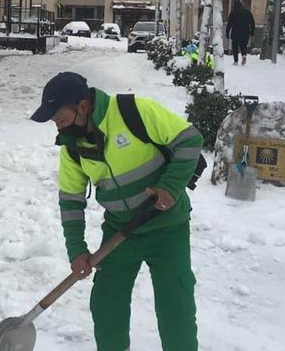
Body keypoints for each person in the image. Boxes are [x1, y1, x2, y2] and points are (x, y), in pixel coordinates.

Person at [31, 72, 203, 351]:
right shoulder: (72, 148)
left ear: (83, 107)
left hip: (167, 226)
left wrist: (170, 187)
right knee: (106, 303)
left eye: (60, 120)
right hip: (120, 231)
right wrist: (76, 249)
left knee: (176, 305)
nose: (58, 128)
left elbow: (190, 139)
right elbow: (71, 200)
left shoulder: (133, 111)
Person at [226, 0, 255, 65]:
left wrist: (227, 32)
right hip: (245, 33)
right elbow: (252, 23)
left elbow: (229, 24)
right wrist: (252, 32)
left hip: (235, 33)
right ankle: (244, 55)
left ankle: (236, 61)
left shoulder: (233, 13)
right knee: (243, 46)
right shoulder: (248, 12)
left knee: (235, 47)